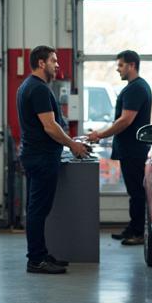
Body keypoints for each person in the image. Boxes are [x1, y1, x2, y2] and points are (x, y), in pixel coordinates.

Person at [17, 45, 89, 274]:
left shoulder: (29, 86)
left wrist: (69, 141)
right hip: (41, 158)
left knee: (38, 208)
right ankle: (36, 260)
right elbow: (50, 126)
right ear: (41, 63)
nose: (58, 65)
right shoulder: (38, 89)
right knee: (38, 210)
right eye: (54, 61)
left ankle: (41, 253)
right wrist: (73, 145)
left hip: (37, 155)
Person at [87, 50, 152, 246]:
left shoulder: (136, 89)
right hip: (130, 149)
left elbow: (125, 121)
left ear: (132, 65)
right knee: (134, 192)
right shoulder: (136, 87)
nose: (118, 69)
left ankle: (139, 232)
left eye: (121, 65)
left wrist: (99, 134)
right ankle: (133, 228)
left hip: (133, 149)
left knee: (137, 193)